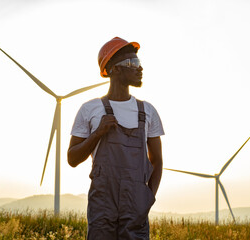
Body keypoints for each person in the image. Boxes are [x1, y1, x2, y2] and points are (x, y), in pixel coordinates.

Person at [67, 37, 164, 240]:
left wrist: (148, 197)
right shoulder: (90, 109)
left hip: (136, 206)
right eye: (134, 63)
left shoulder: (148, 111)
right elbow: (72, 159)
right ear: (114, 70)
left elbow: (157, 160)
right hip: (103, 206)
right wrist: (98, 133)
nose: (140, 68)